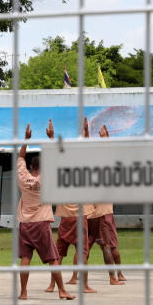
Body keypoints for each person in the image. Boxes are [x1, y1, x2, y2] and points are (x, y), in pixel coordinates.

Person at [16, 121, 75, 301]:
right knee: (52, 258)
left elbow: (20, 158)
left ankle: (23, 292)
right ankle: (62, 290)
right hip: (41, 223)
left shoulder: (22, 177)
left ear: (30, 167)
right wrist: (51, 139)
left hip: (25, 224)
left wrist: (26, 139)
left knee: (25, 258)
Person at [52, 118, 96, 293]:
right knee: (83, 251)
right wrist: (86, 133)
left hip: (65, 217)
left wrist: (52, 137)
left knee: (59, 253)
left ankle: (52, 284)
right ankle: (84, 285)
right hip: (79, 216)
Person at [85, 125, 126, 285]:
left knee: (85, 247)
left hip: (90, 213)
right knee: (108, 245)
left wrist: (87, 134)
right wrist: (105, 138)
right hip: (103, 213)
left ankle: (77, 276)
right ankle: (114, 277)